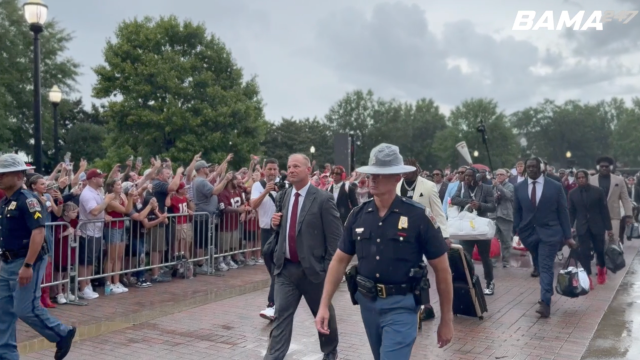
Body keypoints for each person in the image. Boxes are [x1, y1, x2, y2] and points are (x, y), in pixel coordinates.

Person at [315, 144, 454, 360]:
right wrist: (324, 305)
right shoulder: (358, 215)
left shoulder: (418, 217)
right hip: (368, 305)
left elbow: (442, 270)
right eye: (372, 173)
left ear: (397, 177)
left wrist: (447, 320)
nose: (373, 179)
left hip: (402, 306)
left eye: (381, 174)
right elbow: (339, 261)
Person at [264, 154, 341, 360]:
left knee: (323, 314)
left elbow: (335, 240)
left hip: (314, 271)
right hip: (286, 270)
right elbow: (281, 232)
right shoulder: (284, 196)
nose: (291, 170)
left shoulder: (323, 199)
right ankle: (273, 356)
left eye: (296, 166)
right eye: (289, 167)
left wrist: (327, 271)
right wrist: (274, 225)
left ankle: (329, 351)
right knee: (281, 317)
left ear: (308, 170)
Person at [0, 154, 76, 360]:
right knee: (3, 312)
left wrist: (27, 265)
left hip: (25, 260)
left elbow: (38, 232)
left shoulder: (28, 200)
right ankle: (6, 354)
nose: (0, 178)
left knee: (25, 308)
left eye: (3, 174)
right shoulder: (7, 201)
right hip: (7, 261)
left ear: (18, 175)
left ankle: (61, 333)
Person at [513, 157, 575, 318]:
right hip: (528, 235)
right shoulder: (519, 187)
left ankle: (545, 302)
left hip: (550, 234)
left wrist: (568, 236)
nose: (531, 169)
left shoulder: (554, 186)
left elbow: (563, 211)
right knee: (541, 266)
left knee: (546, 266)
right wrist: (517, 230)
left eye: (534, 167)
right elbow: (517, 211)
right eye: (529, 167)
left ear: (541, 168)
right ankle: (547, 286)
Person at [396, 158, 449, 320]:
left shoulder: (428, 186)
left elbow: (438, 212)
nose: (404, 172)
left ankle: (426, 306)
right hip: (401, 234)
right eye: (402, 169)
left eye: (408, 169)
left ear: (416, 170)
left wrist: (444, 235)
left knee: (420, 270)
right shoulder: (397, 186)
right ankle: (409, 302)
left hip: (422, 233)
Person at [451, 167, 497, 295]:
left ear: (477, 177)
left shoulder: (486, 188)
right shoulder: (462, 187)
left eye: (470, 176)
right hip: (466, 229)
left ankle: (489, 282)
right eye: (465, 176)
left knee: (485, 257)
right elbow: (454, 199)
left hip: (481, 228)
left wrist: (480, 205)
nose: (467, 178)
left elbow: (493, 207)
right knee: (465, 256)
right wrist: (469, 202)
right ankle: (468, 282)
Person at [568, 170, 612, 287]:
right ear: (576, 180)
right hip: (582, 227)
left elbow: (604, 210)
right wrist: (569, 227)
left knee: (599, 250)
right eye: (579, 178)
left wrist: (609, 228)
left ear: (587, 178)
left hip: (597, 225)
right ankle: (587, 277)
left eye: (583, 177)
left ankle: (601, 268)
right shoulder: (572, 193)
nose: (581, 179)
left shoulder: (598, 191)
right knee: (584, 253)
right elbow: (571, 212)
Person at [250, 158, 279, 321]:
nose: (272, 172)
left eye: (275, 169)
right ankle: (280, 295)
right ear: (264, 171)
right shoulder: (257, 185)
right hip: (265, 231)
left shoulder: (284, 185)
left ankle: (272, 305)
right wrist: (266, 191)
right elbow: (253, 205)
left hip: (279, 231)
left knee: (276, 268)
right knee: (270, 264)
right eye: (269, 169)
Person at [589, 156, 633, 245]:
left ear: (611, 167)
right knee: (599, 241)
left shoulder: (619, 180)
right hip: (596, 216)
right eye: (602, 166)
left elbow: (625, 198)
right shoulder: (591, 180)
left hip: (613, 216)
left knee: (612, 240)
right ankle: (600, 259)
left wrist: (629, 215)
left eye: (606, 166)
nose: (604, 168)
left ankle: (612, 258)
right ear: (598, 167)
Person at [493, 169, 515, 268]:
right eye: (497, 175)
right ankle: (492, 260)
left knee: (506, 240)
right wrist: (495, 197)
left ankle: (506, 261)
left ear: (506, 176)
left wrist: (499, 187)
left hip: (506, 216)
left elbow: (509, 195)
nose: (499, 176)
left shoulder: (510, 186)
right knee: (493, 239)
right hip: (494, 215)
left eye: (502, 174)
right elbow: (489, 199)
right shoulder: (493, 186)